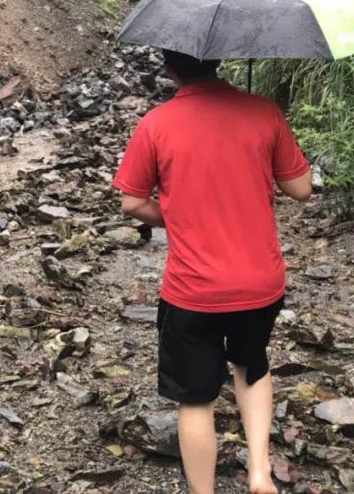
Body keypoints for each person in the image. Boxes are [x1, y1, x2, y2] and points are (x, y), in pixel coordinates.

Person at [113, 50, 312, 494]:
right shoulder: (264, 111)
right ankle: (260, 473)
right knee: (251, 367)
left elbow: (131, 201)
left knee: (195, 397)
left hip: (192, 290)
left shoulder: (156, 124)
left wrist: (177, 214)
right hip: (260, 283)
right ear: (219, 60)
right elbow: (300, 189)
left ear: (169, 68)